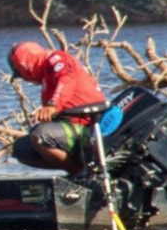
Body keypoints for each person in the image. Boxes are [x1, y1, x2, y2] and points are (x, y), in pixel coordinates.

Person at [8, 41, 105, 175]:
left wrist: (52, 105)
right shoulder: (46, 75)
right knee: (21, 149)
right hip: (71, 125)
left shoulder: (57, 59)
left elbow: (66, 79)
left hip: (87, 125)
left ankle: (83, 176)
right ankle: (79, 170)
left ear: (24, 66)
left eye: (19, 74)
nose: (24, 79)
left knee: (41, 135)